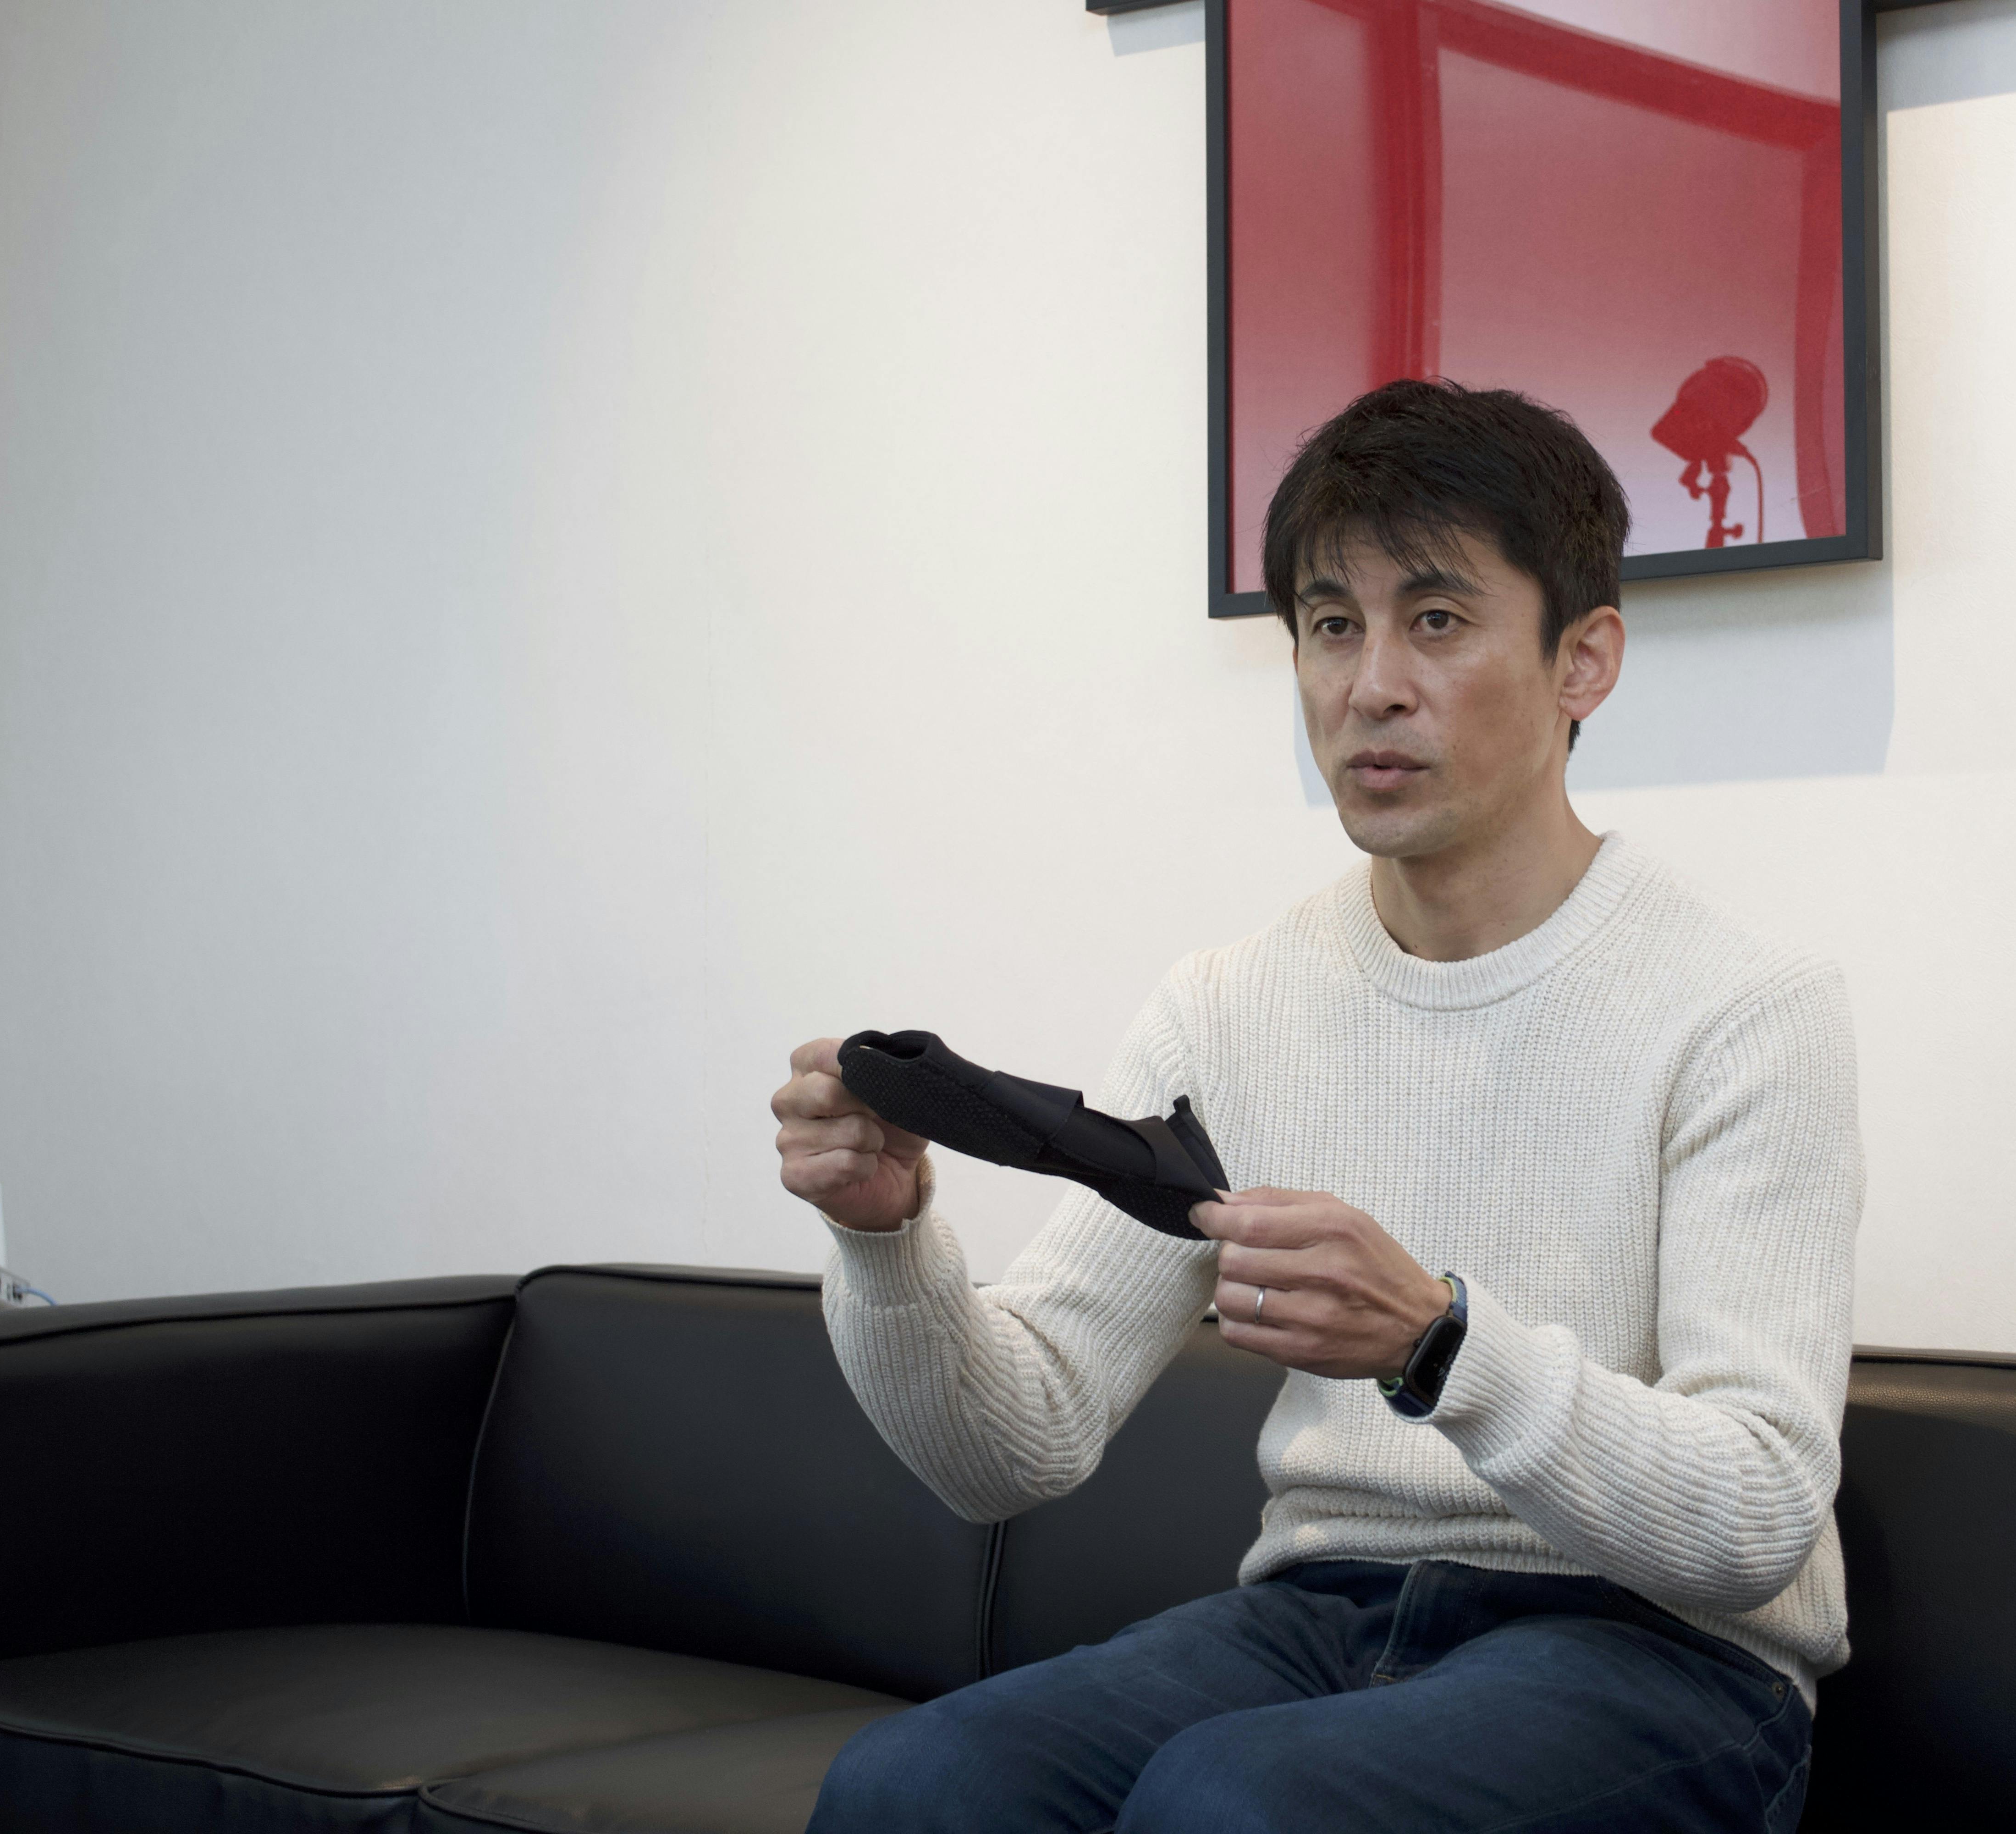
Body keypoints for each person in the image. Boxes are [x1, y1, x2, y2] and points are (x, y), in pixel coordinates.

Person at [771, 379, 1861, 1833]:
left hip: (1664, 1655)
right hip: (1321, 1613)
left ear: (1585, 661)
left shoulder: (1745, 1010)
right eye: (1333, 625)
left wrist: (1437, 1342)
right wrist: (886, 1242)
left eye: (1438, 620)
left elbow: (1755, 1518)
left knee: (1238, 1804)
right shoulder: (1229, 1005)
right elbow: (1012, 1446)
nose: (1371, 686)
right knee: (914, 1784)